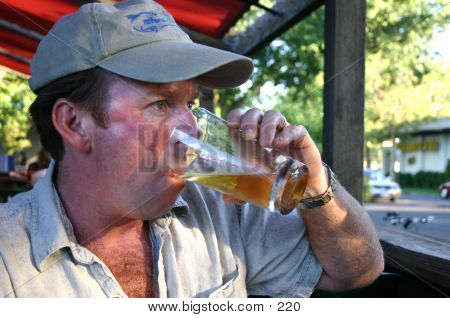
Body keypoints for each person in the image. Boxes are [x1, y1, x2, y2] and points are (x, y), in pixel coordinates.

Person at [0, 0, 383, 298]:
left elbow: (357, 269)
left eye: (189, 104)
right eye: (161, 104)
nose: (191, 126)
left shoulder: (221, 208)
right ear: (74, 124)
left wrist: (316, 190)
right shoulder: (9, 256)